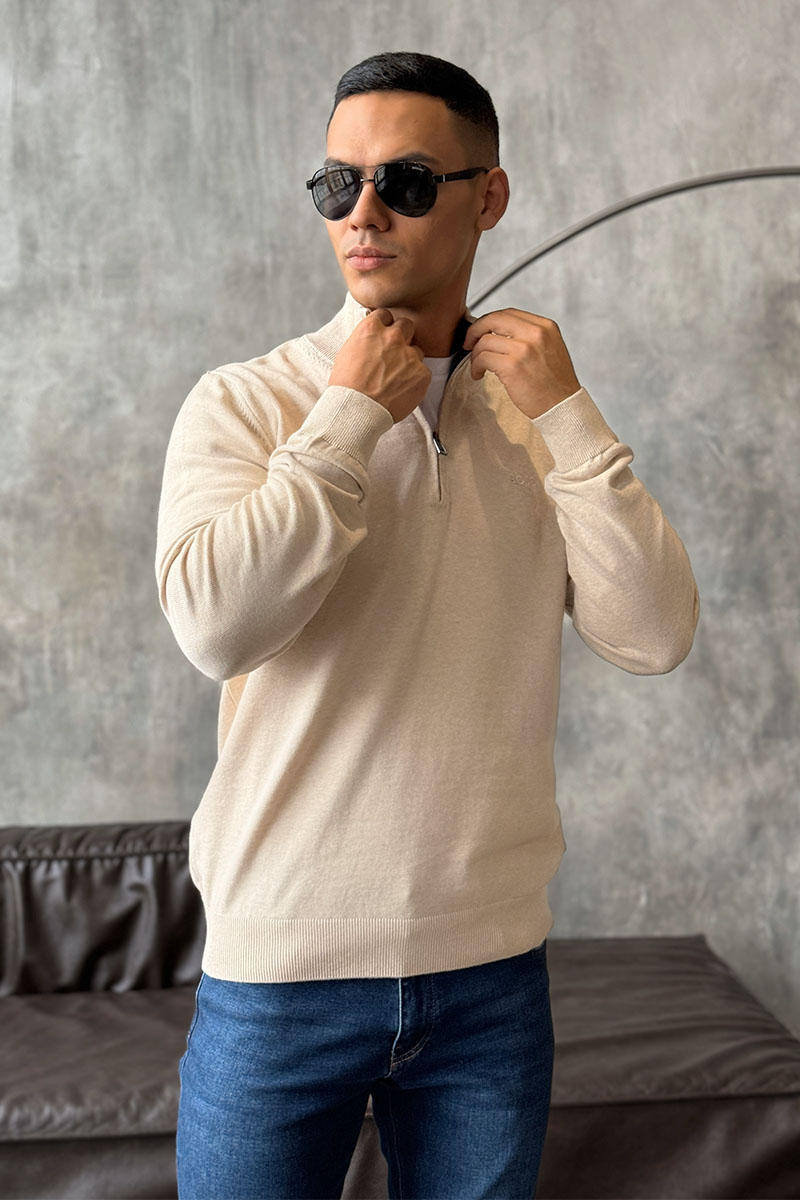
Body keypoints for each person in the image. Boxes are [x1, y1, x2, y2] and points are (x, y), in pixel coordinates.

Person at [156, 49, 700, 1200]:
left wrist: (568, 416)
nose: (361, 214)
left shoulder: (535, 419)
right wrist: (346, 419)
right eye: (335, 184)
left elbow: (652, 635)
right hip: (277, 975)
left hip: (487, 976)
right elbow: (213, 626)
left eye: (403, 182)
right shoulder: (247, 401)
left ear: (485, 197)